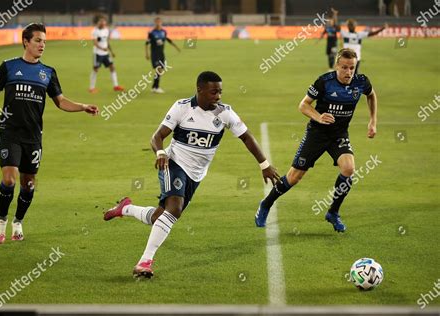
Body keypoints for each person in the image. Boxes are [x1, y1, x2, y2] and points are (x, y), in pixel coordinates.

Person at [104, 71, 279, 278]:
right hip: (173, 163)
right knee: (175, 209)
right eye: (214, 92)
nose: (218, 96)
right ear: (200, 90)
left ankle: (126, 209)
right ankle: (144, 262)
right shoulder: (182, 107)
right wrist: (160, 152)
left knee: (161, 216)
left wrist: (264, 164)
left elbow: (247, 138)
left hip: (196, 174)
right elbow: (157, 136)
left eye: (220, 92)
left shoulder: (225, 113)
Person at [0, 23, 99, 244]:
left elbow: (60, 101)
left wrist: (82, 106)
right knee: (9, 179)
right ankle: (1, 221)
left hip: (33, 137)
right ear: (26, 42)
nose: (42, 45)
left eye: (44, 41)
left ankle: (18, 222)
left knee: (29, 183)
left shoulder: (48, 73)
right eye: (38, 40)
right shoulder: (8, 67)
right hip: (9, 133)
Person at [255, 48, 378, 233]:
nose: (349, 72)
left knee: (349, 168)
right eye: (344, 67)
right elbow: (303, 105)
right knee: (294, 177)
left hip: (339, 135)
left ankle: (333, 213)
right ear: (337, 65)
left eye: (352, 67)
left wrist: (372, 120)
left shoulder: (361, 82)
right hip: (317, 134)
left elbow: (371, 95)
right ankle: (266, 204)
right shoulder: (324, 82)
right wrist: (319, 117)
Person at [89, 15, 125, 93]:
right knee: (96, 69)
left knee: (112, 67)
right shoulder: (95, 31)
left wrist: (111, 51)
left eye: (103, 21)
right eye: (101, 21)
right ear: (98, 22)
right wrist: (102, 48)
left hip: (105, 54)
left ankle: (116, 86)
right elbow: (95, 43)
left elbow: (107, 42)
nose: (102, 23)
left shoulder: (106, 30)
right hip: (97, 54)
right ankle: (91, 88)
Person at [145, 17, 180, 94]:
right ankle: (156, 87)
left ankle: (154, 87)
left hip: (161, 54)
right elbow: (147, 43)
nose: (158, 23)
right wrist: (147, 54)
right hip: (154, 54)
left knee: (160, 70)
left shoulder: (164, 31)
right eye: (157, 22)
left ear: (161, 22)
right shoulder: (151, 33)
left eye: (159, 22)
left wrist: (176, 47)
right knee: (159, 69)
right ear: (155, 22)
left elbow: (167, 39)